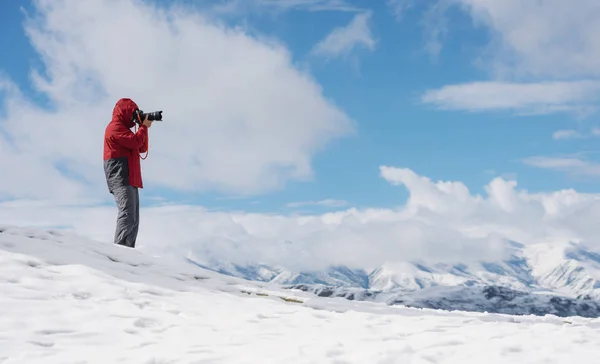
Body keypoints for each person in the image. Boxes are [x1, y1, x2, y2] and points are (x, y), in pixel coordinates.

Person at [103, 98, 153, 248]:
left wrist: (143, 127)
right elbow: (135, 143)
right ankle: (119, 251)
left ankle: (128, 253)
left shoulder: (126, 131)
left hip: (130, 176)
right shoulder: (114, 128)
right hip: (121, 175)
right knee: (127, 214)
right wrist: (143, 126)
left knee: (134, 218)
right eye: (133, 114)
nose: (134, 117)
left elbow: (141, 148)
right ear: (124, 112)